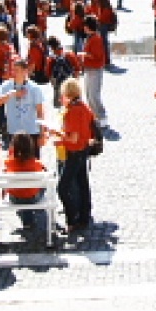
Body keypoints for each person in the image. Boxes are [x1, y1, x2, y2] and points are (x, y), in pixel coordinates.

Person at [49, 79, 97, 232]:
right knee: (83, 185)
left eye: (62, 94)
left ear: (68, 94)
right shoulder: (84, 107)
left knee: (62, 188)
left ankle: (72, 219)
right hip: (83, 150)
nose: (60, 98)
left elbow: (73, 138)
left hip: (75, 152)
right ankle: (84, 217)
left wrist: (59, 140)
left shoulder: (73, 111)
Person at [0, 58, 48, 148]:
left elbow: (40, 112)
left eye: (16, 70)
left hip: (31, 132)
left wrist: (42, 133)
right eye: (12, 70)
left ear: (25, 71)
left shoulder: (34, 88)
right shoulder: (6, 86)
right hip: (13, 132)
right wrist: (10, 94)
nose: (13, 73)